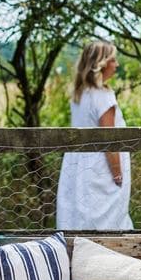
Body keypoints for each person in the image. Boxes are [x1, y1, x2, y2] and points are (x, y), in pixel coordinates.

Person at [55, 40, 133, 231]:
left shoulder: (80, 93)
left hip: (77, 164)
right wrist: (117, 174)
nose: (117, 65)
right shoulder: (103, 96)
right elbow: (109, 141)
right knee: (106, 220)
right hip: (100, 168)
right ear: (102, 64)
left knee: (77, 215)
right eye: (113, 60)